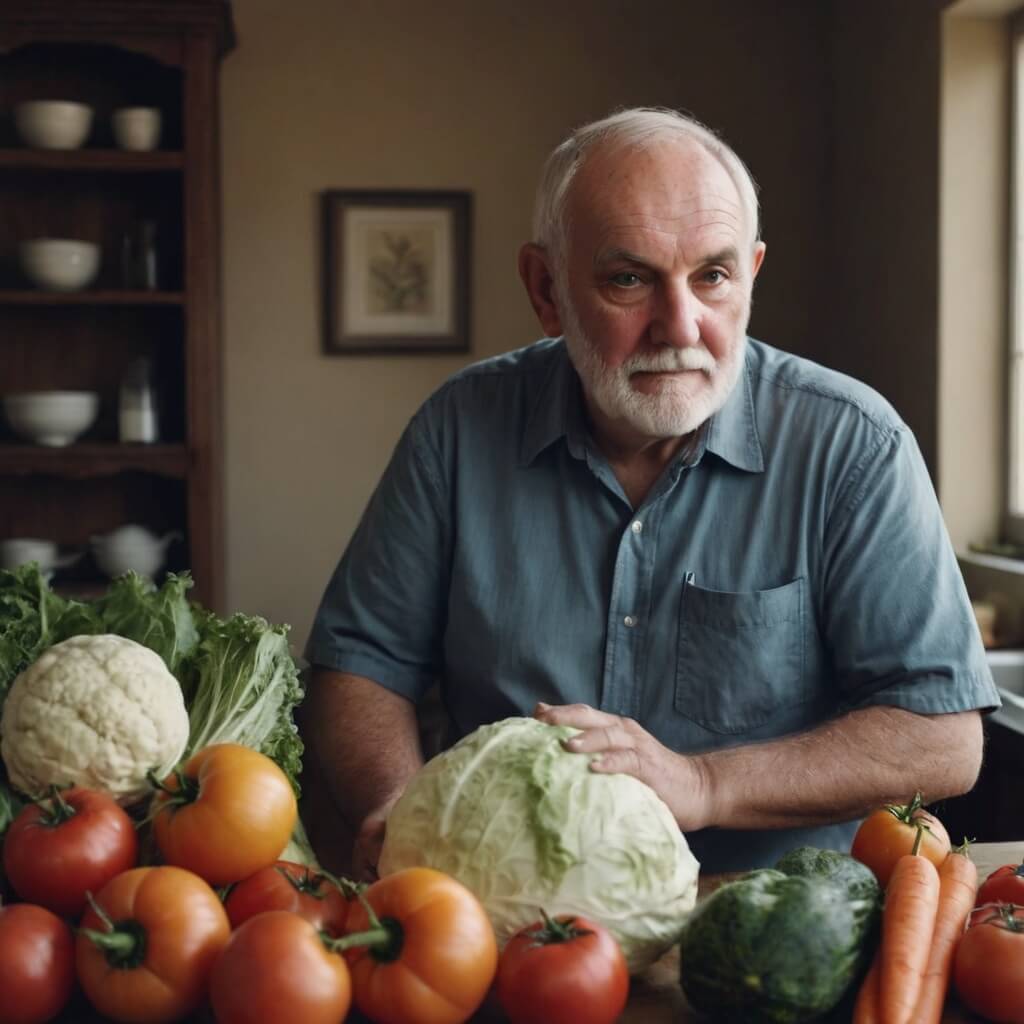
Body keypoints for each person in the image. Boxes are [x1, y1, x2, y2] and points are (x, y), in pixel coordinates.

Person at [304, 106, 998, 879]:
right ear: (545, 289)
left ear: (751, 273)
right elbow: (360, 663)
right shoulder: (458, 431)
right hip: (511, 920)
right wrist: (394, 803)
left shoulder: (853, 446)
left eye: (713, 275)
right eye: (629, 279)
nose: (680, 325)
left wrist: (705, 782)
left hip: (768, 925)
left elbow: (943, 737)